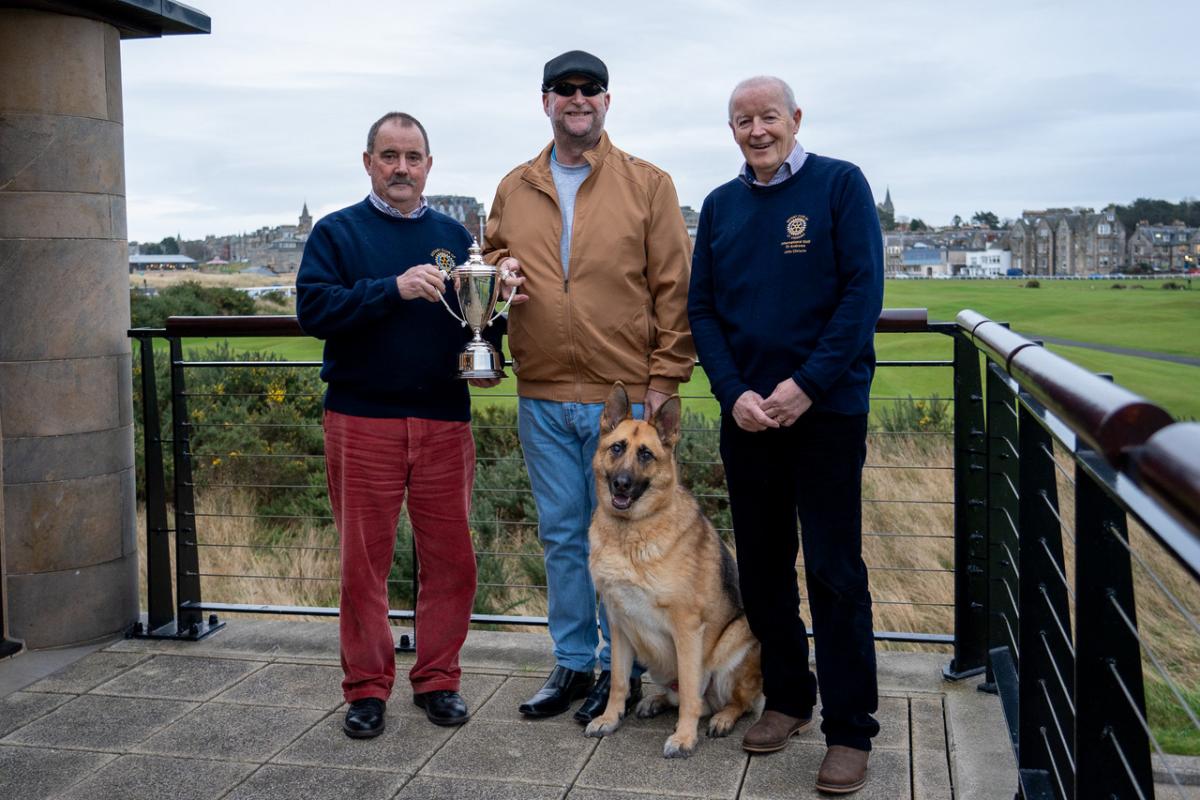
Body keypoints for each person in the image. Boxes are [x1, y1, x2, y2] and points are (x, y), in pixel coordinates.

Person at [296, 111, 524, 739]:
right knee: (362, 565)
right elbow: (314, 310)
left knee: (452, 561)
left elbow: (473, 325)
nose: (402, 168)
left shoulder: (456, 235)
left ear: (429, 165)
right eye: (389, 156)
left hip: (445, 420)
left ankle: (438, 679)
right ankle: (366, 688)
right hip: (361, 418)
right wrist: (390, 289)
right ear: (368, 161)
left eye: (413, 157)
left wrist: (499, 306)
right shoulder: (338, 233)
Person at [483, 50, 695, 722]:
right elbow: (487, 260)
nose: (578, 99)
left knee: (623, 543)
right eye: (564, 90)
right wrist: (498, 268)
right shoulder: (514, 186)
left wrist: (663, 379)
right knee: (563, 536)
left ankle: (616, 670)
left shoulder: (649, 184)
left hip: (623, 403)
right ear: (545, 101)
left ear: (608, 101)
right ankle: (573, 663)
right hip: (542, 395)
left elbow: (674, 287)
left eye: (591, 89)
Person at [687, 76, 884, 793]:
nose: (756, 130)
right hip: (749, 419)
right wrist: (734, 392)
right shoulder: (719, 206)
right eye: (742, 120)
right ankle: (791, 700)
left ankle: (851, 730)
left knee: (834, 572)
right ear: (732, 129)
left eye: (768, 116)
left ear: (795, 119)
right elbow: (701, 310)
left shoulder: (840, 186)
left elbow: (862, 294)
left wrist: (807, 385)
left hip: (825, 413)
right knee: (765, 570)